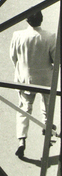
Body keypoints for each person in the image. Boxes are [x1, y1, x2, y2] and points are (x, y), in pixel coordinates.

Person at [10, 10, 56, 158]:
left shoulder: (18, 36)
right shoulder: (50, 37)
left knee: (24, 108)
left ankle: (22, 140)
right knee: (48, 105)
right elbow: (56, 59)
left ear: (27, 21)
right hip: (45, 78)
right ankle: (47, 128)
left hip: (25, 78)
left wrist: (21, 69)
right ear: (41, 20)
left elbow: (13, 57)